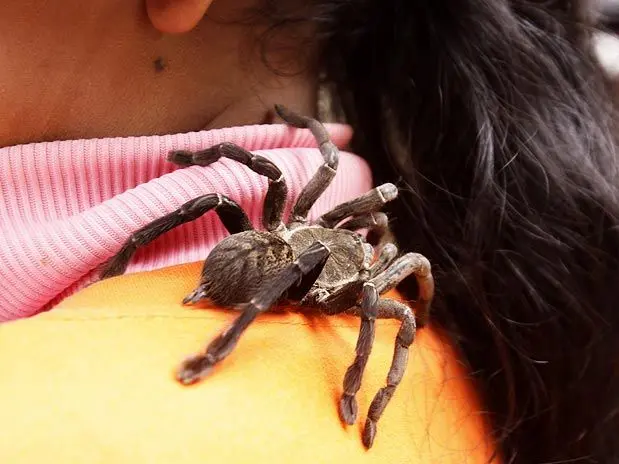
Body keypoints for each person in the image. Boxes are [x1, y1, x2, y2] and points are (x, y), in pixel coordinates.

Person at [0, 0, 618, 463]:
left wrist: (359, 388)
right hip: (266, 253)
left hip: (270, 276)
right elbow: (313, 170)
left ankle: (245, 356)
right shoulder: (457, 376)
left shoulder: (49, 420)